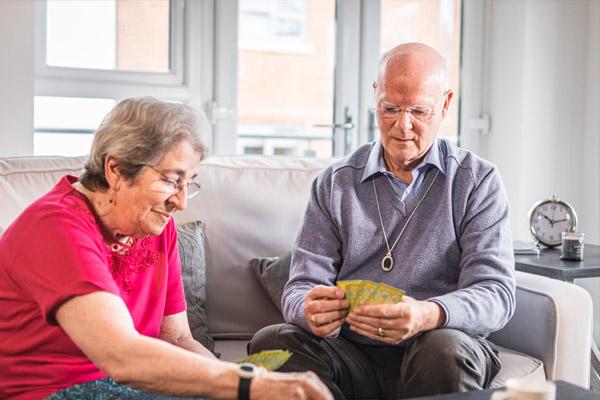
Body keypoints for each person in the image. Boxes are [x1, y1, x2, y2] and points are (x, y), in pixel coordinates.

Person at [0, 97, 332, 400]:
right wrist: (249, 382)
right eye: (172, 180)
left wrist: (236, 387)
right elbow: (121, 356)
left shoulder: (156, 228)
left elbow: (177, 339)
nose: (181, 201)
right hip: (52, 392)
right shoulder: (56, 226)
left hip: (133, 386)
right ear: (115, 170)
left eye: (189, 183)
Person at [249, 43, 515, 400]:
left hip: (438, 344)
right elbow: (300, 288)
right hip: (353, 353)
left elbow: (496, 294)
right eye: (390, 108)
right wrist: (309, 309)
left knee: (443, 350)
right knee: (273, 342)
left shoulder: (477, 181)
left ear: (446, 103)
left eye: (420, 110)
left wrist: (428, 314)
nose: (403, 126)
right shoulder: (335, 183)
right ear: (376, 97)